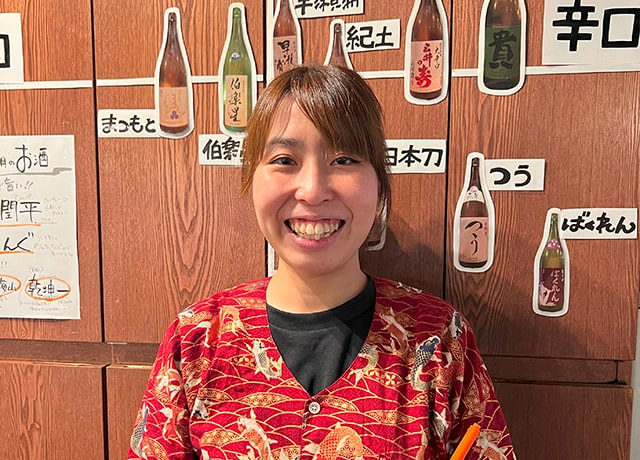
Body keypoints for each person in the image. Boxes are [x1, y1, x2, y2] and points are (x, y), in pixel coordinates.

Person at [127, 64, 516, 460]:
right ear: (251, 178)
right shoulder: (197, 340)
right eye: (284, 159)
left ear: (379, 187)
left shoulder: (438, 340)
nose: (313, 190)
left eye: (344, 160)